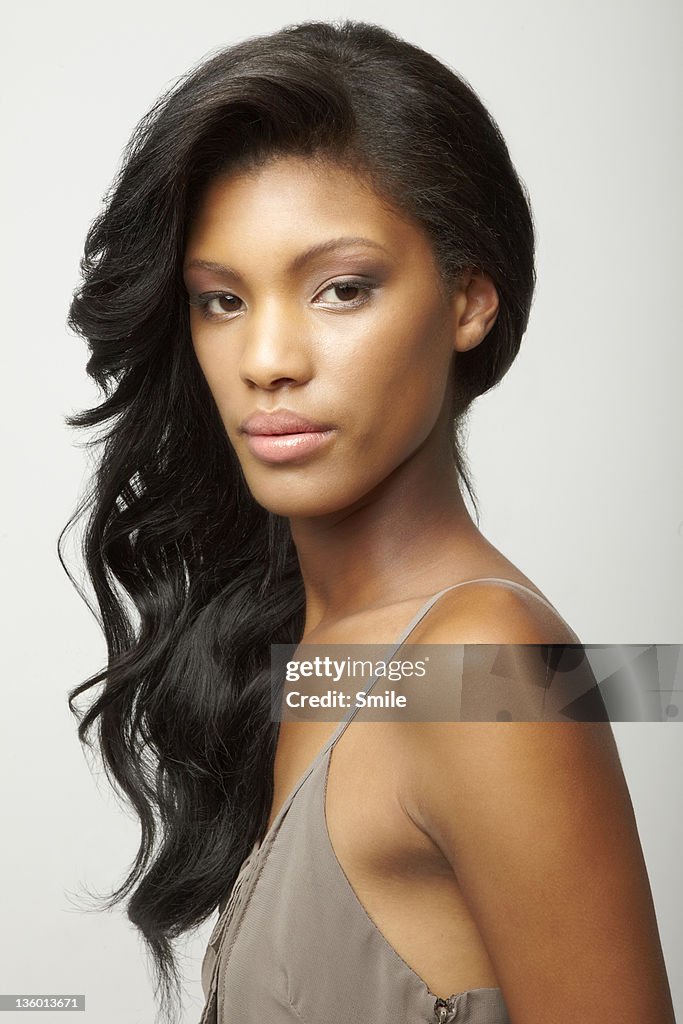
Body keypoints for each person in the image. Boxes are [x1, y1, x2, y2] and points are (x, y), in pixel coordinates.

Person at [61, 18, 676, 1024]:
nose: (267, 357)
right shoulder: (318, 653)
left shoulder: (486, 666)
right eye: (221, 301)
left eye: (339, 289)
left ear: (468, 298)